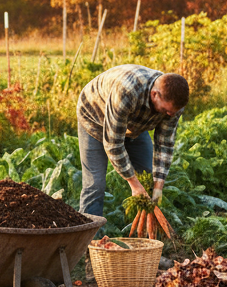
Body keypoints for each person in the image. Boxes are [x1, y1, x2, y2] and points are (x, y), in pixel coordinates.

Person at [76, 65, 189, 221]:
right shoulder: (127, 92)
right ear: (154, 94)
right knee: (95, 186)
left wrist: (158, 187)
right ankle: (89, 241)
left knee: (147, 179)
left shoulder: (174, 106)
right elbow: (114, 145)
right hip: (94, 117)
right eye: (167, 110)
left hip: (134, 123)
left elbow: (165, 144)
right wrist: (134, 185)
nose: (171, 114)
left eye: (174, 111)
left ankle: (143, 238)